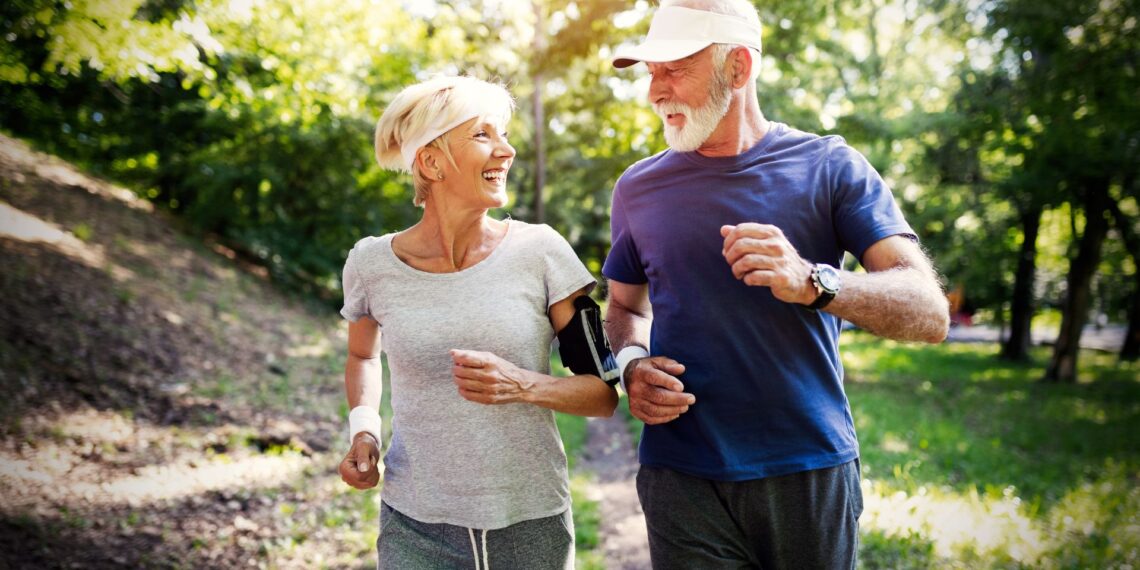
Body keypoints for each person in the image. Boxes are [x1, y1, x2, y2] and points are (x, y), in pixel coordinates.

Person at [602, 0, 950, 568]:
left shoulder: (831, 167)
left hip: (807, 470)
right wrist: (633, 364)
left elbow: (929, 310)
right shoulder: (637, 188)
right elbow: (624, 308)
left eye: (674, 70)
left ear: (738, 67)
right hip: (680, 474)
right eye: (650, 73)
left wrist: (816, 282)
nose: (654, 93)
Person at [337, 75, 619, 570]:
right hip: (414, 523)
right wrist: (364, 432)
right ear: (431, 161)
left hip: (531, 524)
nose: (506, 151)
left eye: (505, 135)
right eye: (483, 135)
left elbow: (603, 394)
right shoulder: (370, 264)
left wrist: (524, 385)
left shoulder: (542, 252)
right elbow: (362, 354)